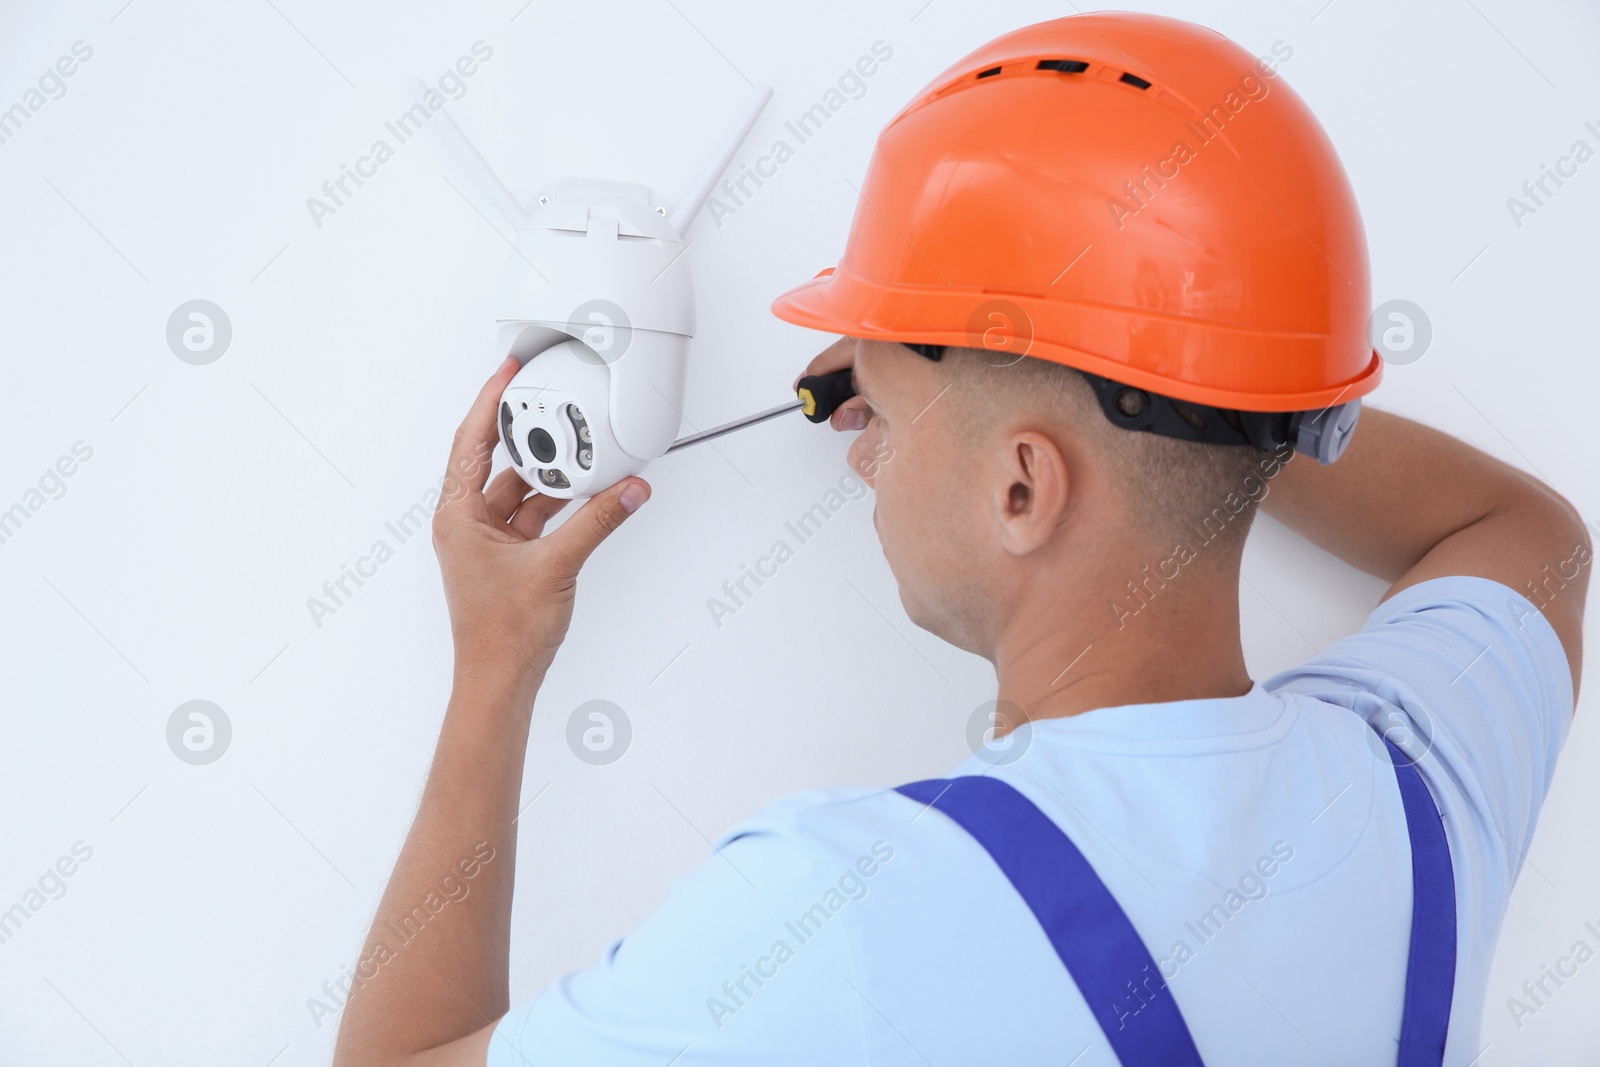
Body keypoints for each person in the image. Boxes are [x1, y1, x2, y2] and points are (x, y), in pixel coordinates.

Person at [332, 12, 1590, 1067]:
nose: (863, 443)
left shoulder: (842, 919)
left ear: (1021, 490)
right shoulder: (1423, 788)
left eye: (884, 408)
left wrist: (494, 661)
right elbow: (1527, 531)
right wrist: (1211, 385)